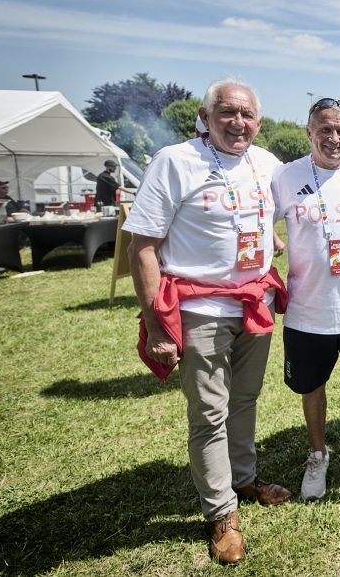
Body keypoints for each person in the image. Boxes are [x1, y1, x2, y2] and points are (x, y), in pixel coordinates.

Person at [124, 79, 291, 565]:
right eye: (227, 112)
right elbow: (142, 247)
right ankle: (221, 512)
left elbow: (290, 194)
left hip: (254, 304)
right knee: (209, 413)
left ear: (259, 122)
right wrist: (157, 326)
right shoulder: (175, 161)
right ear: (205, 116)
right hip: (201, 310)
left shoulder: (267, 163)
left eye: (247, 114)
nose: (238, 122)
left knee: (245, 399)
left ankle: (243, 478)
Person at [271, 98, 340, 502]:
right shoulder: (286, 176)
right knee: (312, 386)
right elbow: (256, 219)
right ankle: (318, 454)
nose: (333, 138)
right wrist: (271, 241)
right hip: (307, 311)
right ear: (309, 132)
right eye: (325, 129)